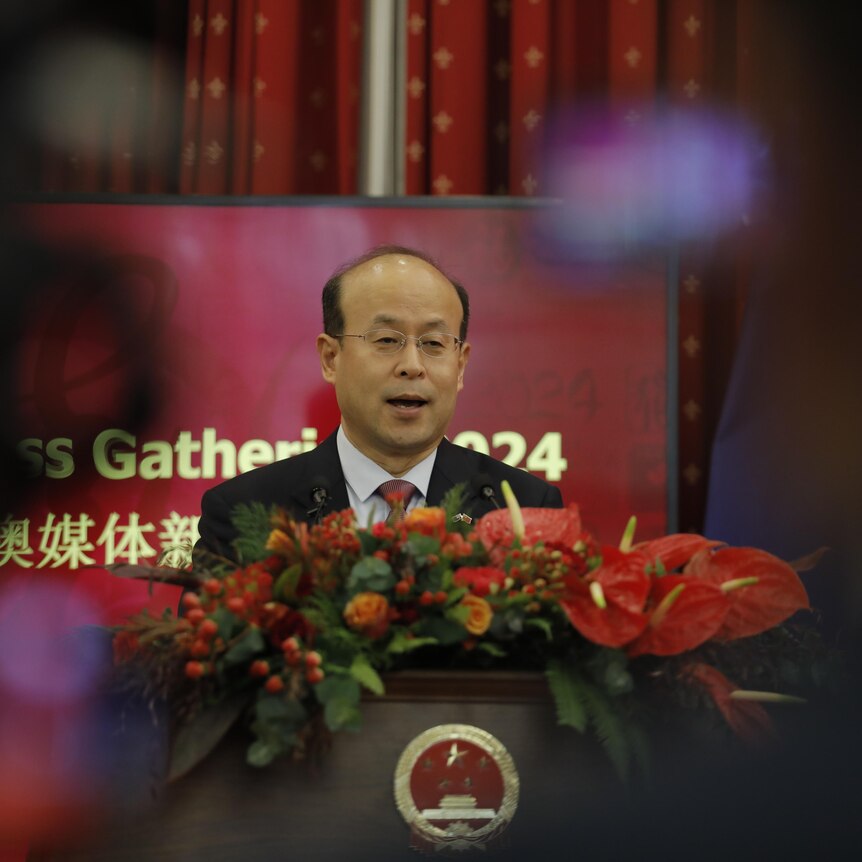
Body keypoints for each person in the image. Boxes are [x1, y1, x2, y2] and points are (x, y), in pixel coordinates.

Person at [197, 245, 563, 558]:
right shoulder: (244, 511)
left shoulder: (523, 508)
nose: (412, 367)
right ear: (330, 357)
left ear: (461, 364)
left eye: (434, 344)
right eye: (387, 340)